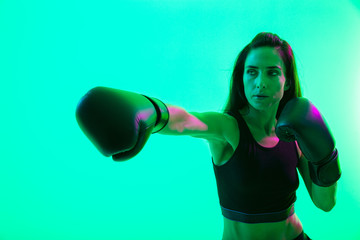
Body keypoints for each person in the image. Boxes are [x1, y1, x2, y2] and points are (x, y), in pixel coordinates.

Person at [76, 32, 341, 240]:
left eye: (272, 72)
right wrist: (152, 111)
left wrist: (325, 157)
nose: (260, 82)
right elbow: (187, 120)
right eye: (252, 72)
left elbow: (325, 203)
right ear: (241, 79)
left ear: (287, 81)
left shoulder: (296, 133)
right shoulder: (228, 128)